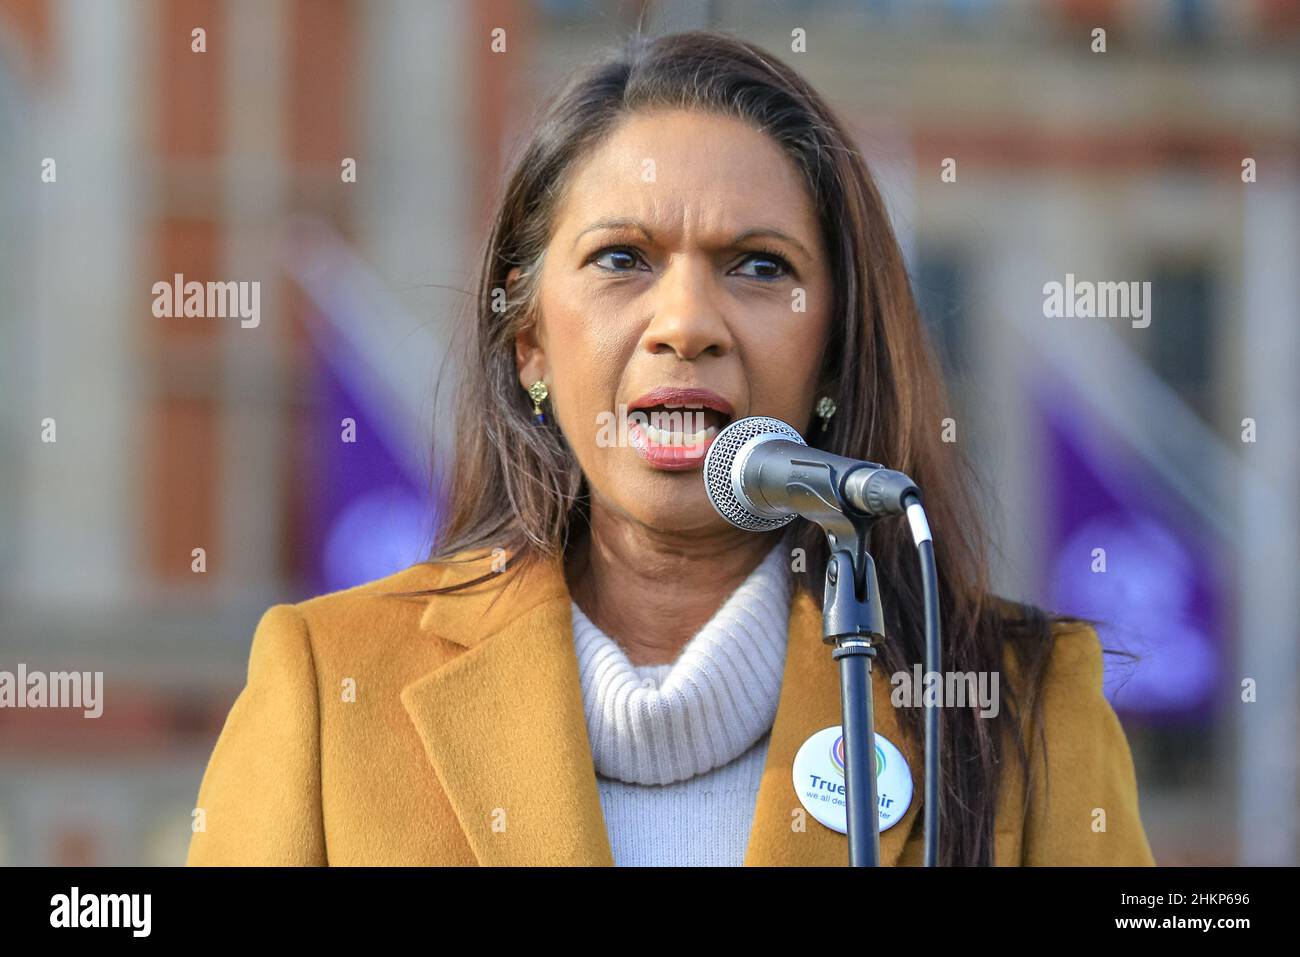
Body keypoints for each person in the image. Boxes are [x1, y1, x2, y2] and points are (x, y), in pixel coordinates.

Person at [187, 29, 1155, 867]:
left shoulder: (1022, 707)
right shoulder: (330, 689)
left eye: (757, 267)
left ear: (833, 353)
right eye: (622, 260)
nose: (685, 322)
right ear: (529, 344)